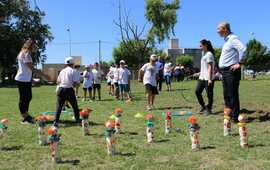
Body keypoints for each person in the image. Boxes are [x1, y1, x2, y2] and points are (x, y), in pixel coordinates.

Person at [217, 22, 246, 122]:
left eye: (219, 29)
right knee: (226, 94)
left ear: (225, 29)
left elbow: (243, 49)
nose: (217, 31)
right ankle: (229, 115)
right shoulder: (226, 41)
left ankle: (235, 117)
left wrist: (239, 63)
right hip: (225, 72)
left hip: (231, 71)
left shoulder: (233, 38)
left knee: (232, 94)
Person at [54, 57, 81, 127]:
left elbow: (57, 81)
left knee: (59, 107)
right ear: (73, 63)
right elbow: (75, 83)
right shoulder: (73, 71)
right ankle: (77, 120)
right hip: (69, 90)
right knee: (75, 106)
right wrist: (78, 84)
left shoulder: (62, 71)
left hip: (61, 89)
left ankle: (56, 121)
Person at [14, 39, 36, 124]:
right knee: (24, 98)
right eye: (34, 46)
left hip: (25, 79)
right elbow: (31, 68)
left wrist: (31, 79)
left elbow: (27, 69)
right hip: (22, 79)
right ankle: (24, 117)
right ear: (30, 46)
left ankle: (26, 115)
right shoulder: (26, 54)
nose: (36, 48)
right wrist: (44, 76)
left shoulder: (23, 53)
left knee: (28, 97)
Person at [195, 39, 216, 115]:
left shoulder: (209, 54)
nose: (199, 46)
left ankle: (209, 109)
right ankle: (203, 106)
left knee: (209, 94)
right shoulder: (203, 53)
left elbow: (210, 67)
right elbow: (205, 67)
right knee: (197, 91)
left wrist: (210, 79)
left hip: (208, 78)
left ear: (205, 45)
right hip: (202, 77)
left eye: (200, 45)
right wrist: (199, 73)